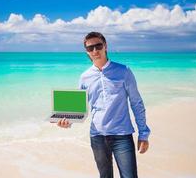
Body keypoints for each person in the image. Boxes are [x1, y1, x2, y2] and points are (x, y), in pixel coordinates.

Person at [57, 32, 150, 178]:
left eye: (98, 46)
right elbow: (79, 110)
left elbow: (136, 103)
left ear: (105, 46)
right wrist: (67, 122)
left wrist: (143, 134)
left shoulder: (124, 71)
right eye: (90, 48)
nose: (95, 51)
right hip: (97, 136)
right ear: (86, 52)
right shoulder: (84, 77)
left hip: (122, 136)